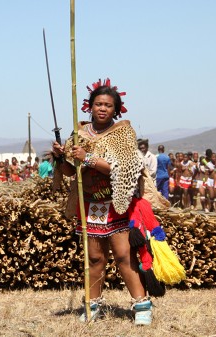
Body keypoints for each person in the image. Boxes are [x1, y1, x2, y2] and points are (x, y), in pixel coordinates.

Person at [52, 79, 164, 325]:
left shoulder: (123, 132)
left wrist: (89, 158)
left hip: (118, 202)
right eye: (98, 104)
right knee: (94, 258)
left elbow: (123, 168)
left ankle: (141, 305)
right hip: (90, 203)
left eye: (108, 105)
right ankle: (92, 306)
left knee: (124, 255)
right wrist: (61, 158)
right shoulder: (78, 133)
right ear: (89, 107)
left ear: (116, 109)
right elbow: (71, 173)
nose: (102, 109)